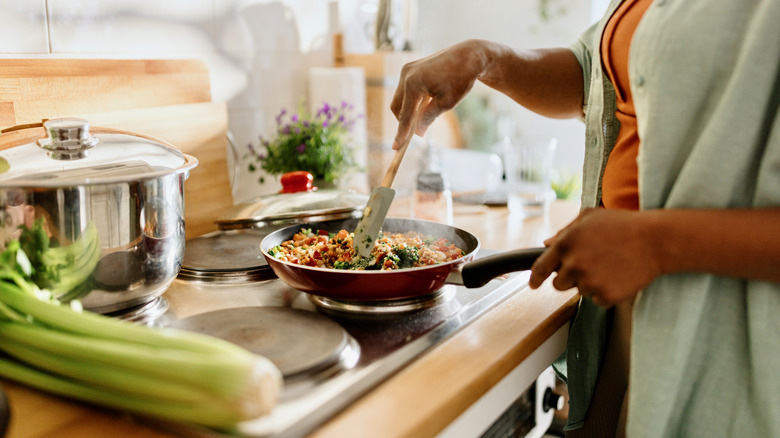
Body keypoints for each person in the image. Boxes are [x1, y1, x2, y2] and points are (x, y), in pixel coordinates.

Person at [389, 0, 780, 436]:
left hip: (726, 332)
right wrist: (485, 57)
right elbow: (594, 75)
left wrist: (656, 243)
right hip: (626, 308)